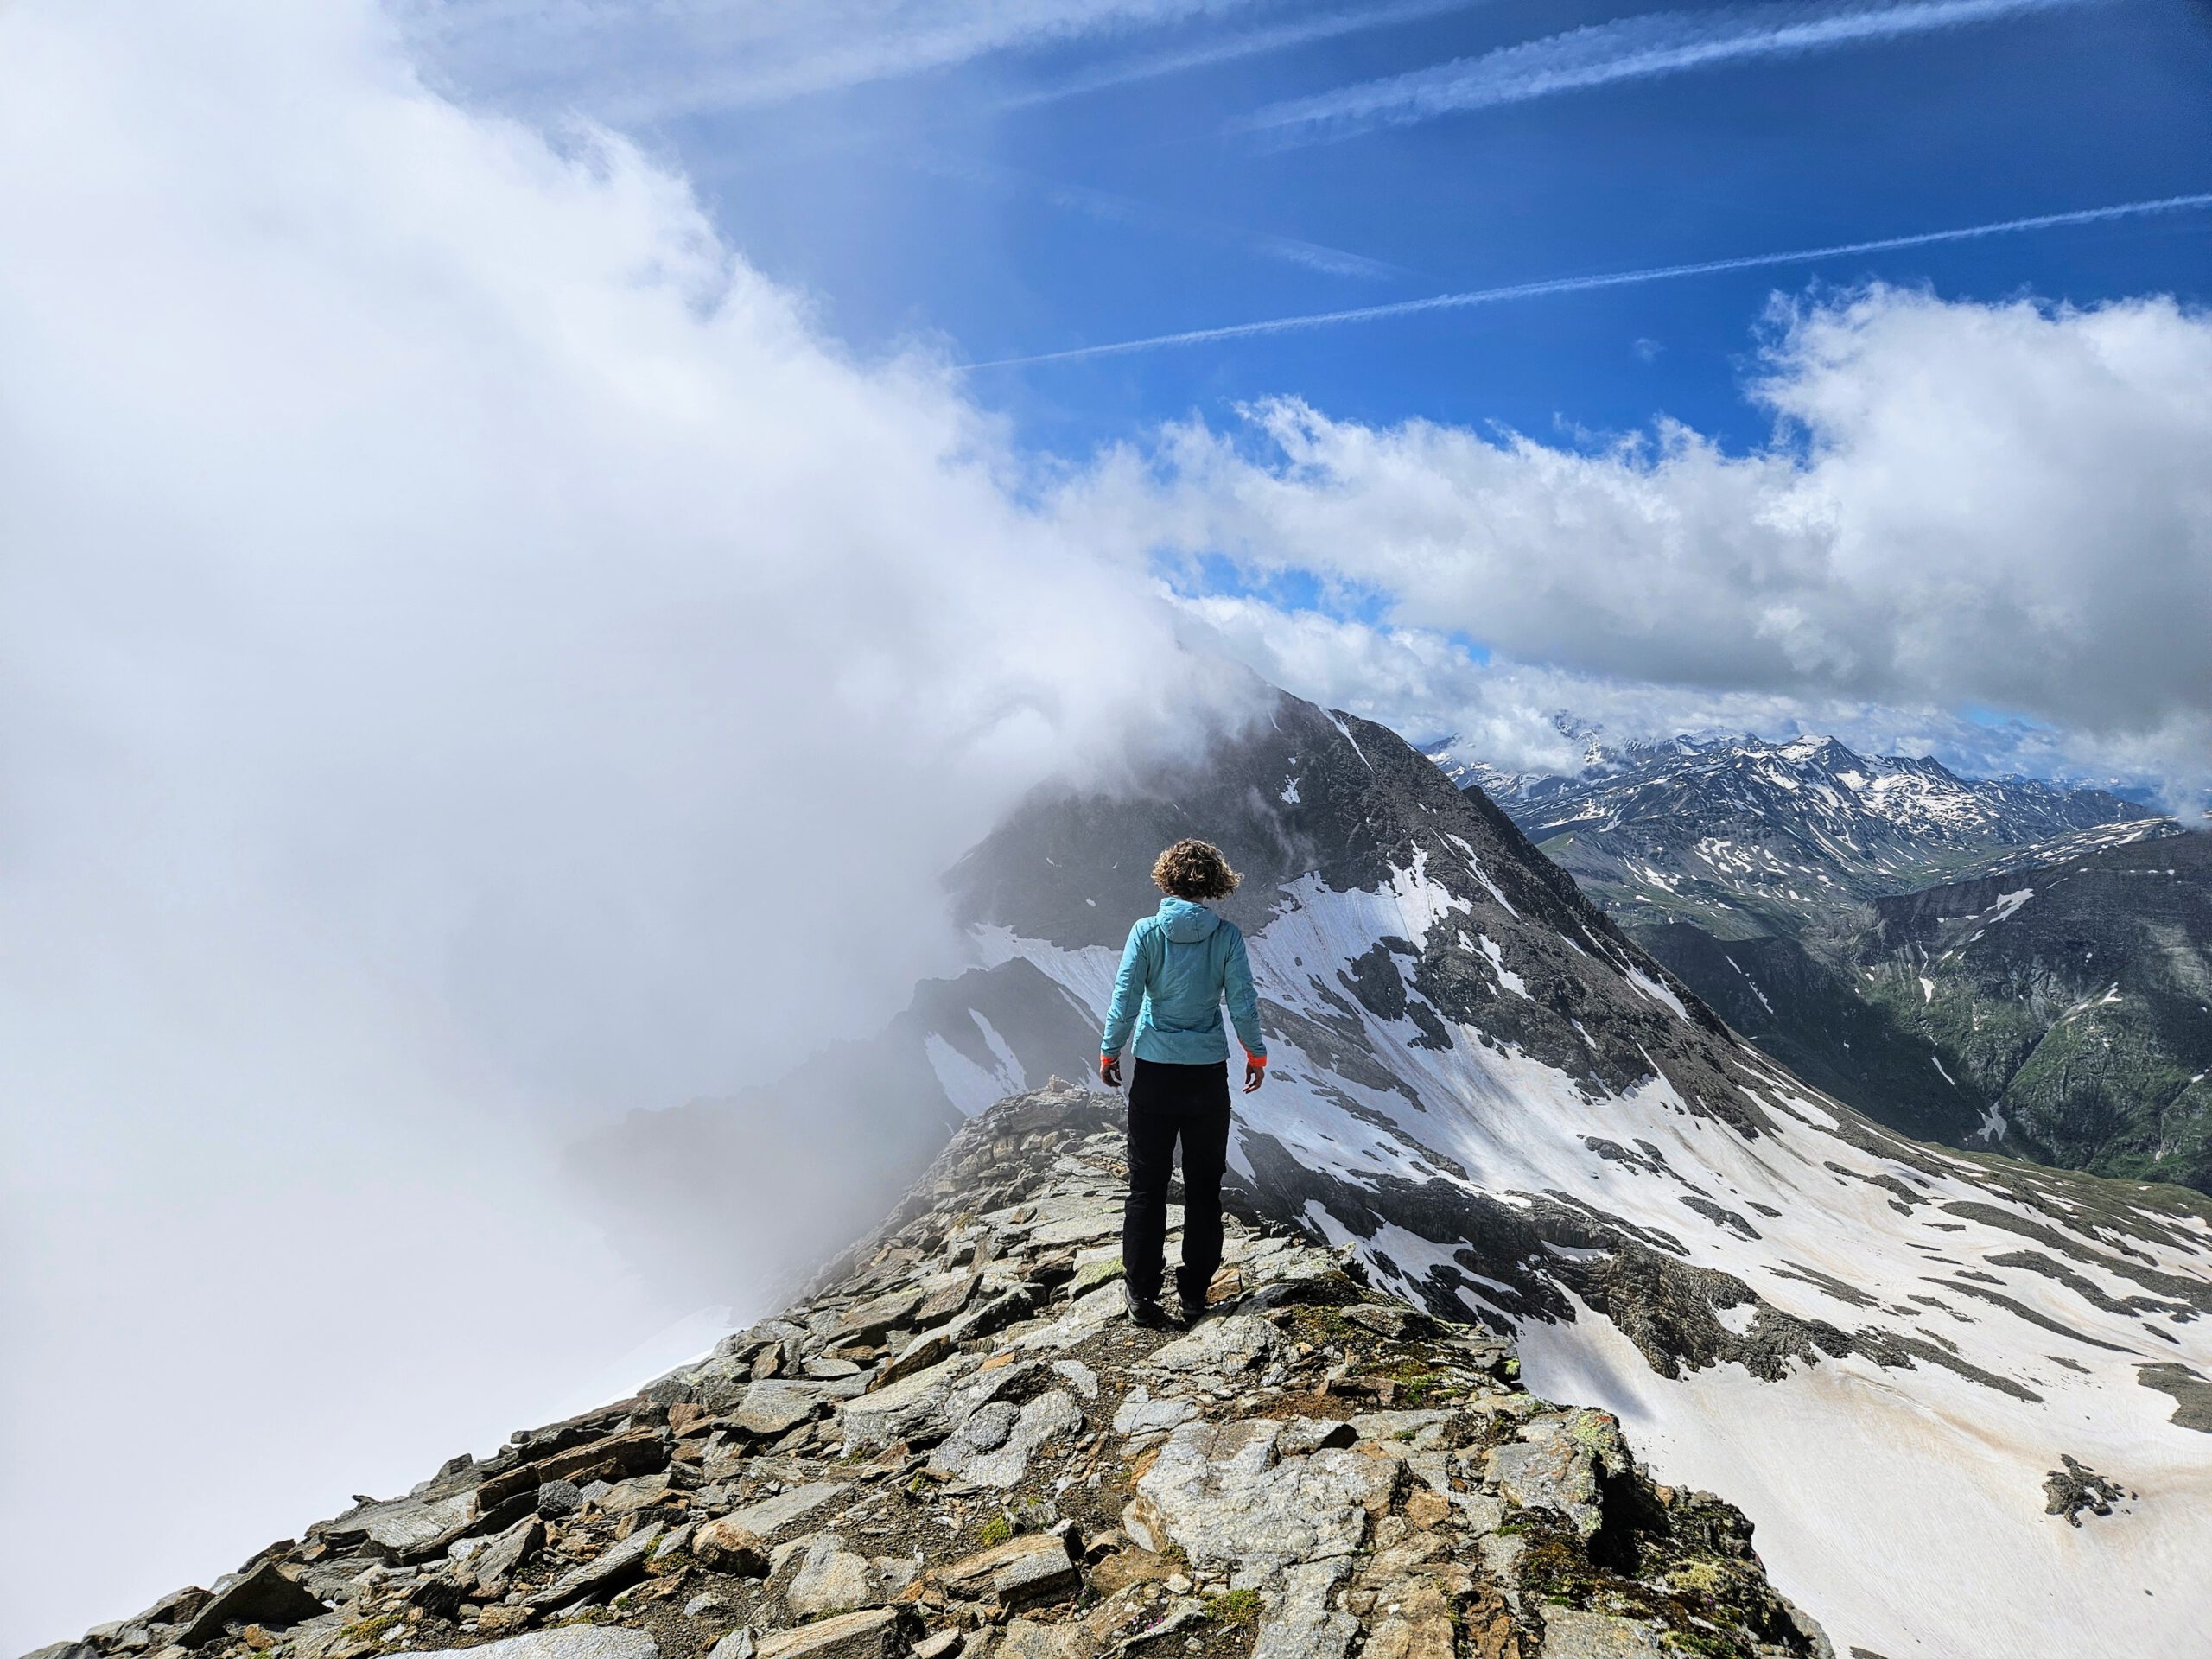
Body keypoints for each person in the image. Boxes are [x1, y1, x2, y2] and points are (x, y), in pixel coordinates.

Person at [1098, 837, 1267, 1329]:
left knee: (1146, 1187)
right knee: (1203, 1189)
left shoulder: (1146, 932)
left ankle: (1142, 1294)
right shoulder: (1227, 937)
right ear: (1215, 883)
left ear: (1166, 878)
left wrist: (1112, 1049)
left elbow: (1125, 996)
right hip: (1206, 1078)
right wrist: (1255, 1053)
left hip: (1153, 1073)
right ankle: (1194, 1293)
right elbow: (1242, 1002)